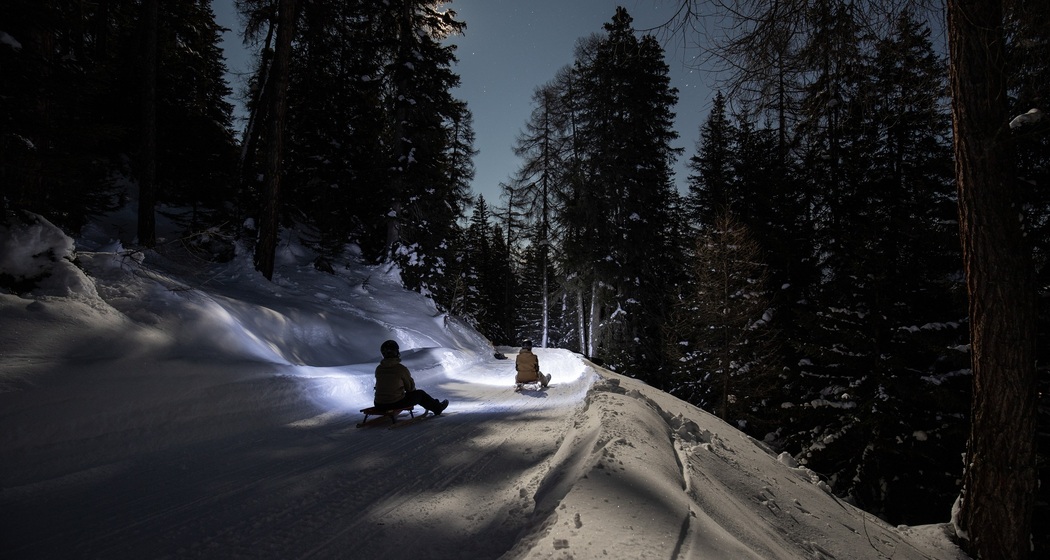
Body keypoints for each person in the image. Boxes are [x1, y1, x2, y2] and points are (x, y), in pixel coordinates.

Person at [374, 340, 449, 415]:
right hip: (394, 403)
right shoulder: (400, 368)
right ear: (396, 352)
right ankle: (437, 408)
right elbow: (410, 388)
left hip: (378, 404)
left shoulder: (379, 368)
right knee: (420, 394)